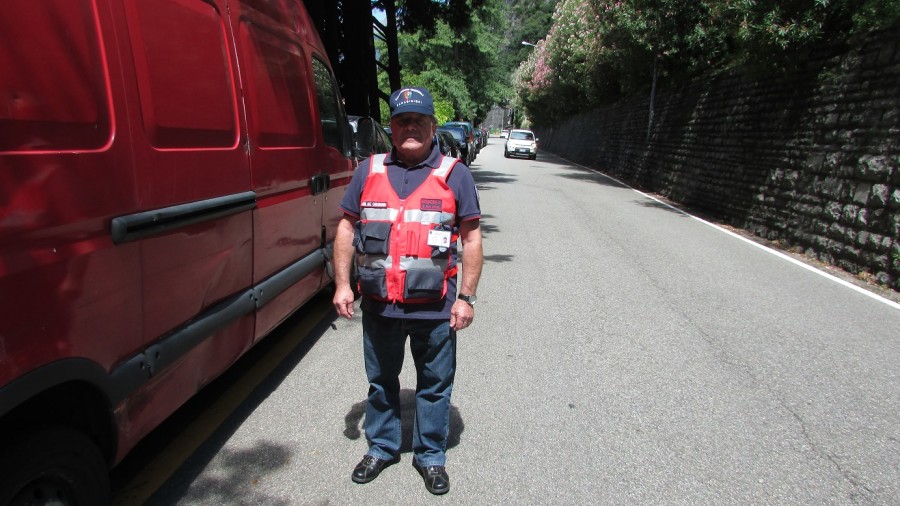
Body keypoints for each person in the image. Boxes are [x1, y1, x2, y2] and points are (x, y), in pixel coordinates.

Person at [332, 86, 483, 495]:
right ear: (392, 128)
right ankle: (382, 447)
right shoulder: (369, 170)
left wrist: (466, 298)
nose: (410, 126)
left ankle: (430, 455)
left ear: (432, 126)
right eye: (401, 120)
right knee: (381, 381)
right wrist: (343, 285)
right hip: (381, 306)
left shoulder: (455, 174)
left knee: (434, 386)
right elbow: (347, 227)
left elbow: (471, 239)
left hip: (435, 309)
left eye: (418, 120)